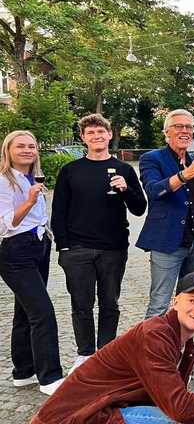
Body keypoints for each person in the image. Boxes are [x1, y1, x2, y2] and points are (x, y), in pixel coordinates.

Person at [30, 271, 194, 424]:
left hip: (107, 409)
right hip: (80, 418)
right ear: (175, 302)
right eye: (191, 300)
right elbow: (179, 408)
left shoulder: (183, 342)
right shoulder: (155, 336)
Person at [51, 114, 147, 374]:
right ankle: (84, 355)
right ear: (83, 138)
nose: (96, 136)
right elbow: (58, 212)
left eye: (101, 132)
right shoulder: (71, 171)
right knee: (81, 305)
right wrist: (64, 248)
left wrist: (127, 189)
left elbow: (140, 209)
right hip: (77, 249)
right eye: (91, 133)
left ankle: (106, 354)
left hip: (113, 247)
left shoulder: (125, 170)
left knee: (109, 303)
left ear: (109, 135)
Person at [137, 109, 194, 319]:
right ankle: (153, 351)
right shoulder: (152, 159)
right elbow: (154, 190)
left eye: (189, 127)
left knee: (189, 302)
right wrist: (184, 175)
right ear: (167, 132)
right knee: (159, 304)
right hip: (168, 242)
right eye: (179, 126)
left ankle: (182, 347)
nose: (185, 131)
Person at [0, 131, 64, 396]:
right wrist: (29, 200)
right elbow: (7, 223)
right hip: (16, 251)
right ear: (8, 150)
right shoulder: (4, 181)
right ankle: (50, 378)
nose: (27, 150)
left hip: (39, 246)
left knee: (25, 312)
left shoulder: (30, 177)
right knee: (43, 313)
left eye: (32, 146)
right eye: (21, 146)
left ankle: (24, 371)